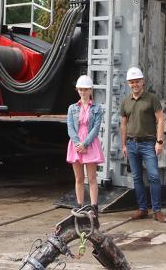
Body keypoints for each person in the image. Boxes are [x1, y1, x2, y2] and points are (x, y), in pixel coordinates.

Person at [121, 67, 166, 223]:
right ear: (129, 83)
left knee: (154, 177)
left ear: (142, 82)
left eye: (137, 81)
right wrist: (124, 145)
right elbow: (123, 124)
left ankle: (157, 211)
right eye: (132, 82)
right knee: (136, 178)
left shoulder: (152, 99)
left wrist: (159, 141)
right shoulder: (125, 101)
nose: (134, 84)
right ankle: (142, 209)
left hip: (148, 144)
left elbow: (161, 119)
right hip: (132, 144)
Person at [66, 75, 105, 223]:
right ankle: (80, 206)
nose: (83, 92)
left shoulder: (97, 108)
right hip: (76, 144)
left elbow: (96, 128)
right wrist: (78, 144)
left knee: (92, 178)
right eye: (80, 89)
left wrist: (85, 144)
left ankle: (94, 207)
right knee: (79, 178)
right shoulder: (72, 108)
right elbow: (70, 127)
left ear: (90, 90)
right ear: (78, 90)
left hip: (90, 143)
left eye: (85, 89)